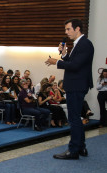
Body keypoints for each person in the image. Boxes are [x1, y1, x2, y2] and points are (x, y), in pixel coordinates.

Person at [45, 18, 94, 160]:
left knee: (73, 119)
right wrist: (65, 54)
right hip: (75, 85)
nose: (66, 32)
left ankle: (73, 150)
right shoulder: (78, 44)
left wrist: (57, 61)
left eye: (68, 29)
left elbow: (75, 66)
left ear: (77, 28)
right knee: (76, 118)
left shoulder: (85, 44)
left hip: (77, 85)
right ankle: (81, 147)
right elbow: (72, 63)